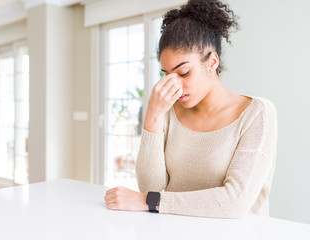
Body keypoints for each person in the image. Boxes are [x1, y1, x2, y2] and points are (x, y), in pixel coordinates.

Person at [104, 0, 278, 218]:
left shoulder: (256, 113)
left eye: (184, 73)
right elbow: (151, 189)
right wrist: (154, 114)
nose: (174, 85)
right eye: (166, 75)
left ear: (212, 62)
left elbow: (235, 202)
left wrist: (147, 201)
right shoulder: (168, 111)